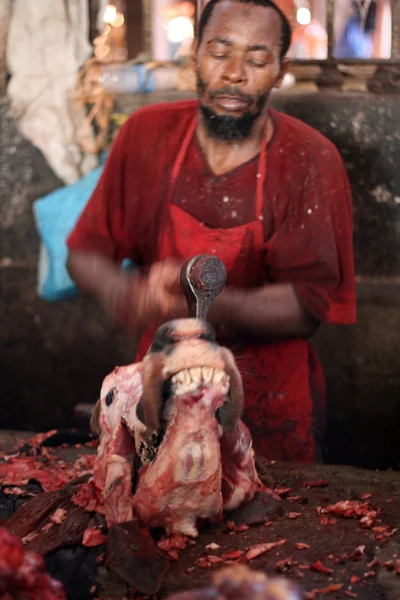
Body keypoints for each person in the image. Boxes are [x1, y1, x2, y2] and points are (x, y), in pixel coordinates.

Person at [67, 0, 356, 463]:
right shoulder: (146, 136)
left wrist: (193, 300)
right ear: (194, 53)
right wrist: (126, 293)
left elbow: (308, 306)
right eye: (220, 53)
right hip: (161, 392)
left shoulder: (309, 159)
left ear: (280, 70)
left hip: (272, 405)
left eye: (257, 60)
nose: (235, 73)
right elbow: (83, 255)